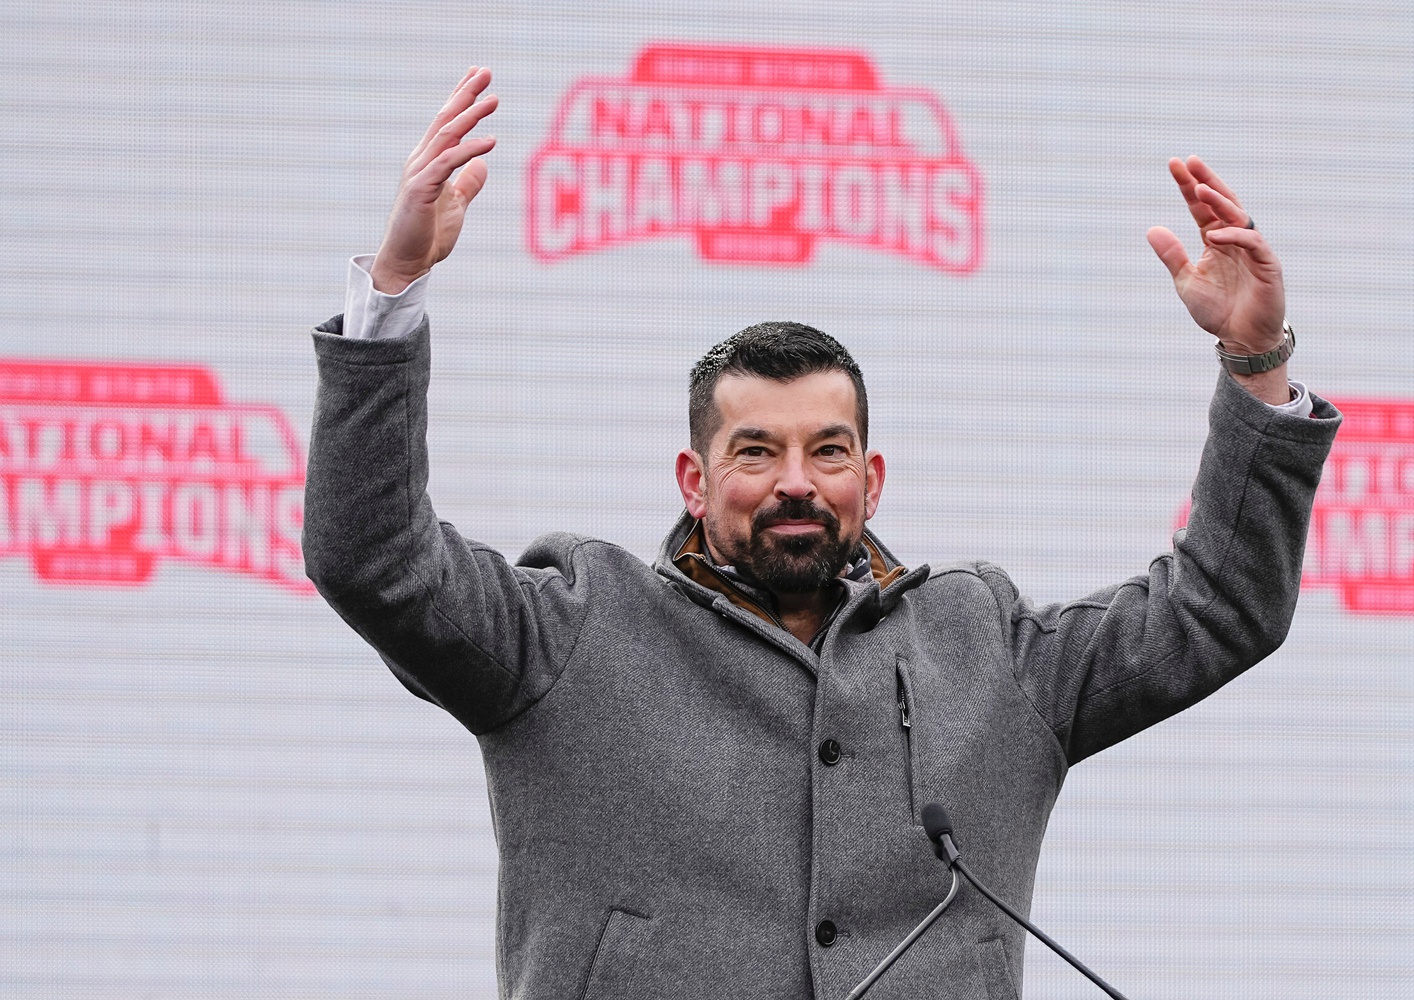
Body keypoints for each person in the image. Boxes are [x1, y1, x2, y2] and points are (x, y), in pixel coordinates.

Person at [304, 67, 1340, 1000]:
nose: (796, 483)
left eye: (829, 452)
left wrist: (1258, 367)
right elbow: (374, 560)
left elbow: (1222, 606)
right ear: (694, 481)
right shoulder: (573, 625)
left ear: (872, 478)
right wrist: (393, 292)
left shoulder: (984, 644)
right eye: (756, 452)